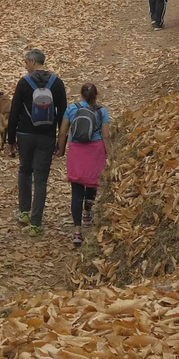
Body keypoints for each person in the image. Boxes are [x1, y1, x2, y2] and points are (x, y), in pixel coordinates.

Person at [5, 48, 67, 235]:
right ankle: (36, 223)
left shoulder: (24, 83)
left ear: (32, 62)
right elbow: (62, 114)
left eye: (26, 62)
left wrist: (11, 139)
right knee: (41, 179)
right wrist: (60, 140)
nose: (25, 66)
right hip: (47, 135)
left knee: (25, 170)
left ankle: (23, 211)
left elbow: (14, 111)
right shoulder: (57, 83)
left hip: (25, 134)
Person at [56, 84, 110, 247]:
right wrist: (110, 155)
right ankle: (87, 213)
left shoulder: (72, 109)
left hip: (77, 151)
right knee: (92, 184)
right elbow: (106, 135)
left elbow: (63, 132)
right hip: (95, 150)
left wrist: (61, 150)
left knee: (76, 190)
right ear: (96, 94)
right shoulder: (102, 111)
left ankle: (77, 232)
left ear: (81, 94)